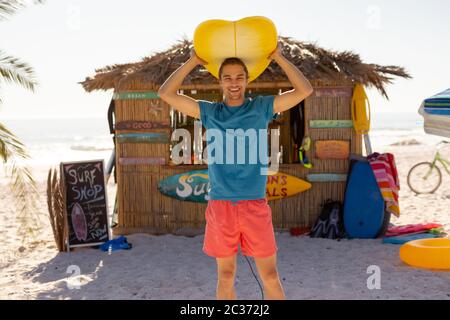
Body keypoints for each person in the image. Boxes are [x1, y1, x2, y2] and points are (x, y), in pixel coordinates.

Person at [158, 44, 313, 300]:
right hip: (221, 207)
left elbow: (305, 90)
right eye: (227, 78)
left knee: (271, 277)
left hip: (254, 205)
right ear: (220, 82)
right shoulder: (210, 112)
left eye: (239, 77)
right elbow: (166, 93)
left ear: (247, 80)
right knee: (226, 277)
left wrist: (278, 57)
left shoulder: (261, 108)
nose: (234, 83)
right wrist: (193, 61)